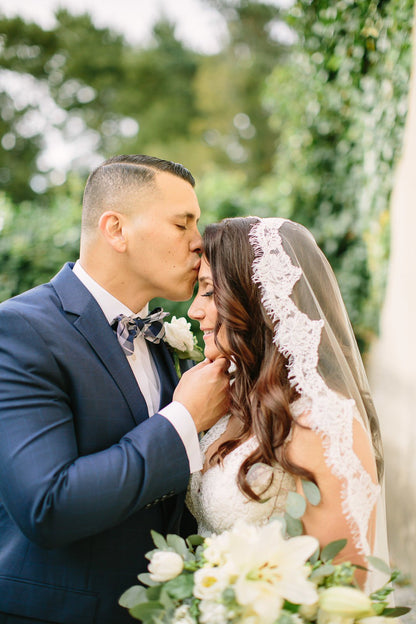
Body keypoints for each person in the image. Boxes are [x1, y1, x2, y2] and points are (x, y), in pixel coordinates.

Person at [0, 155, 229, 624]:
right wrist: (184, 419)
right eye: (182, 223)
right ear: (116, 230)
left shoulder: (165, 339)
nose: (198, 242)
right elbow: (48, 505)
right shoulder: (20, 330)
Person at [187, 216, 390, 592]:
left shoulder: (322, 424)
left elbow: (343, 587)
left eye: (209, 291)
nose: (193, 311)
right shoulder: (226, 404)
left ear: (255, 298)